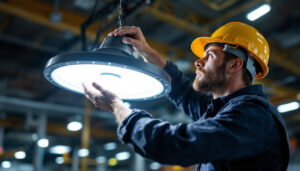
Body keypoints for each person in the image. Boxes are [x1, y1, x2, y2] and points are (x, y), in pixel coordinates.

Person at [83, 22, 290, 171]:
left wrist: (118, 107)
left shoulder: (252, 116)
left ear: (235, 65)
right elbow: (183, 93)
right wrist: (147, 52)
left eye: (209, 56)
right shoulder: (224, 109)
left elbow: (175, 144)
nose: (198, 63)